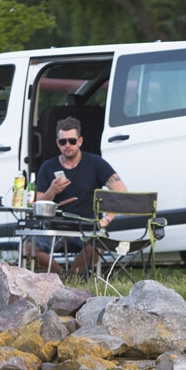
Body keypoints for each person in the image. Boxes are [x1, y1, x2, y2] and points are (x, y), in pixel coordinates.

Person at [32, 115, 127, 272]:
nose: (67, 145)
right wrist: (52, 191)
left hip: (86, 225)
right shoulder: (48, 167)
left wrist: (106, 219)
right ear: (57, 143)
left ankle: (73, 278)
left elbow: (121, 191)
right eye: (63, 142)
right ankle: (62, 277)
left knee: (98, 244)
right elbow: (37, 204)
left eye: (72, 141)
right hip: (55, 225)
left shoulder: (95, 163)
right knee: (28, 249)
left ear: (80, 141)